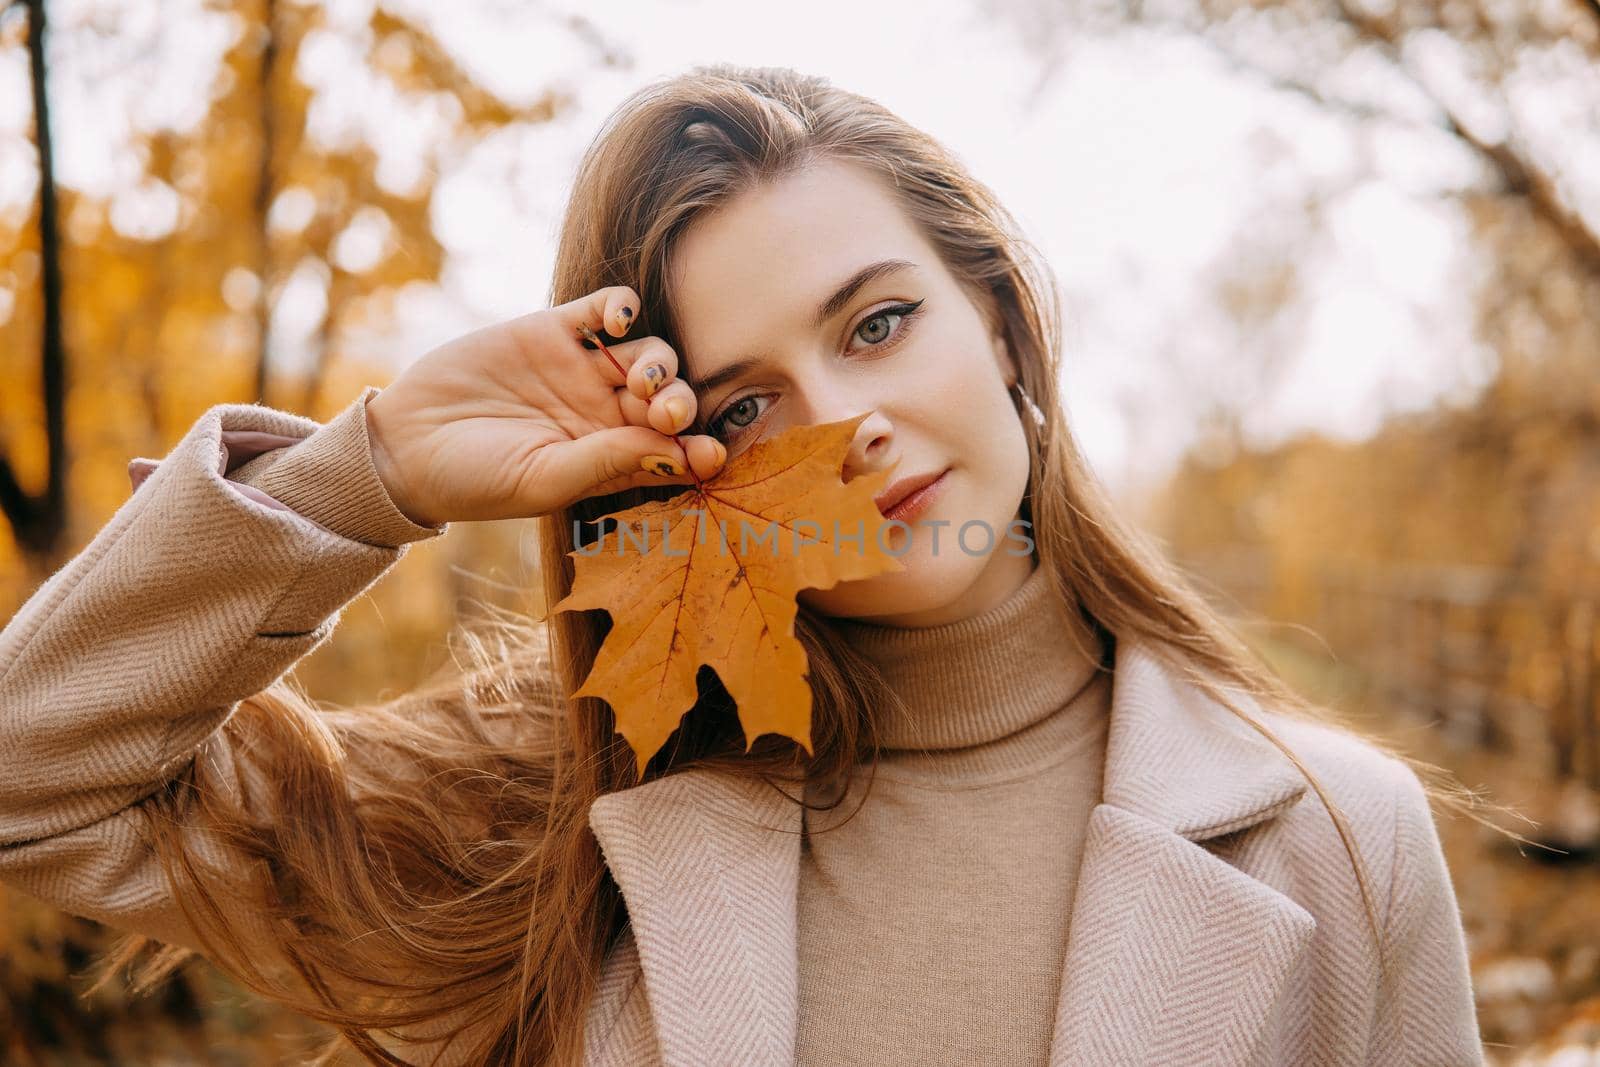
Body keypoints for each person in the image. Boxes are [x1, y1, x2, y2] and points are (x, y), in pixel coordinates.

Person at [0, 63, 1488, 1066]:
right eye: (745, 406)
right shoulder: (549, 818)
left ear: (1005, 324)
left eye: (880, 324)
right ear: (674, 471)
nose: (846, 427)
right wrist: (372, 469)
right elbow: (28, 779)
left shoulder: (1342, 843)